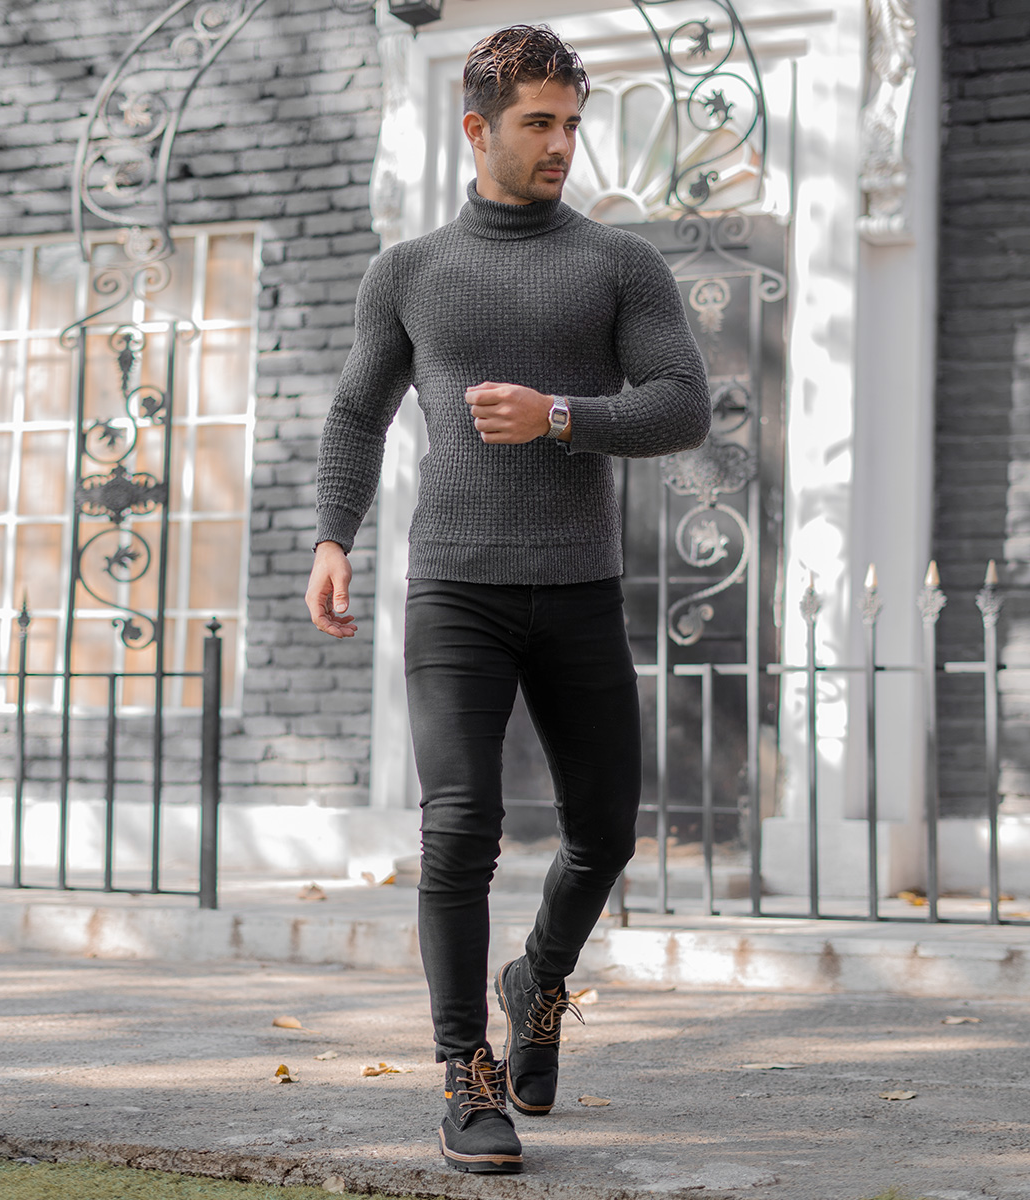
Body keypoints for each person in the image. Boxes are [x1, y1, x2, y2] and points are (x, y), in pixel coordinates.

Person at [305, 23, 709, 1174]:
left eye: (572, 123)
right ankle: (463, 1071)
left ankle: (538, 978)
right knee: (459, 827)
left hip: (580, 587)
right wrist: (334, 537)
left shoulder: (619, 264)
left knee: (605, 832)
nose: (561, 144)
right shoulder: (409, 272)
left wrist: (562, 415)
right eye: (539, 122)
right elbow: (357, 412)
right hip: (456, 590)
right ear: (477, 129)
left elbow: (683, 403)